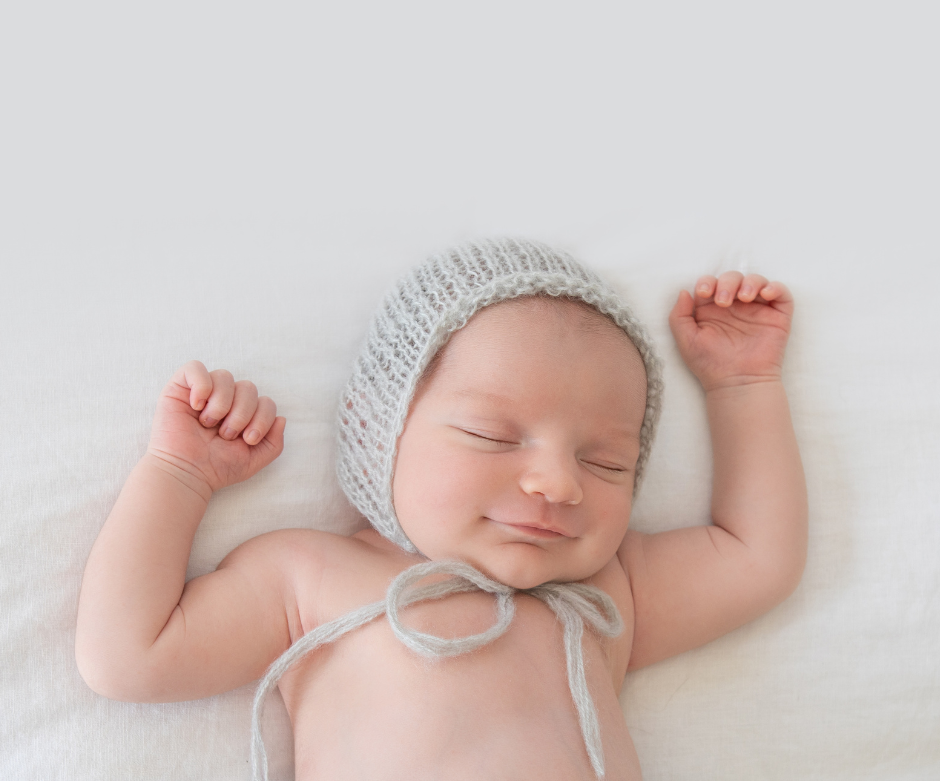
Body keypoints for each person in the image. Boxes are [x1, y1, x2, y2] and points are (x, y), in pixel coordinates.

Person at [75, 238, 807, 780]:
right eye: (493, 436)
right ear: (376, 428)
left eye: (605, 461)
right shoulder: (310, 576)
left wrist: (741, 388)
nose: (558, 483)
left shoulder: (606, 592)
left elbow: (758, 556)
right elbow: (127, 658)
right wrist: (177, 473)